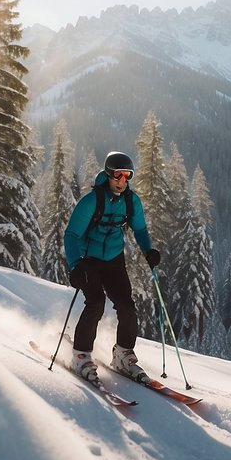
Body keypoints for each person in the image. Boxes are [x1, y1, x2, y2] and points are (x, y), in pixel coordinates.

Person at [63, 150, 161, 384]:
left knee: (127, 306)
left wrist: (149, 251)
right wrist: (76, 266)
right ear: (108, 175)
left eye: (127, 176)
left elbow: (140, 230)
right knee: (96, 303)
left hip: (115, 260)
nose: (122, 181)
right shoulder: (92, 201)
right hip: (90, 260)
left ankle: (123, 354)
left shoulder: (130, 201)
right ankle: (81, 356)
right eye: (118, 175)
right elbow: (71, 234)